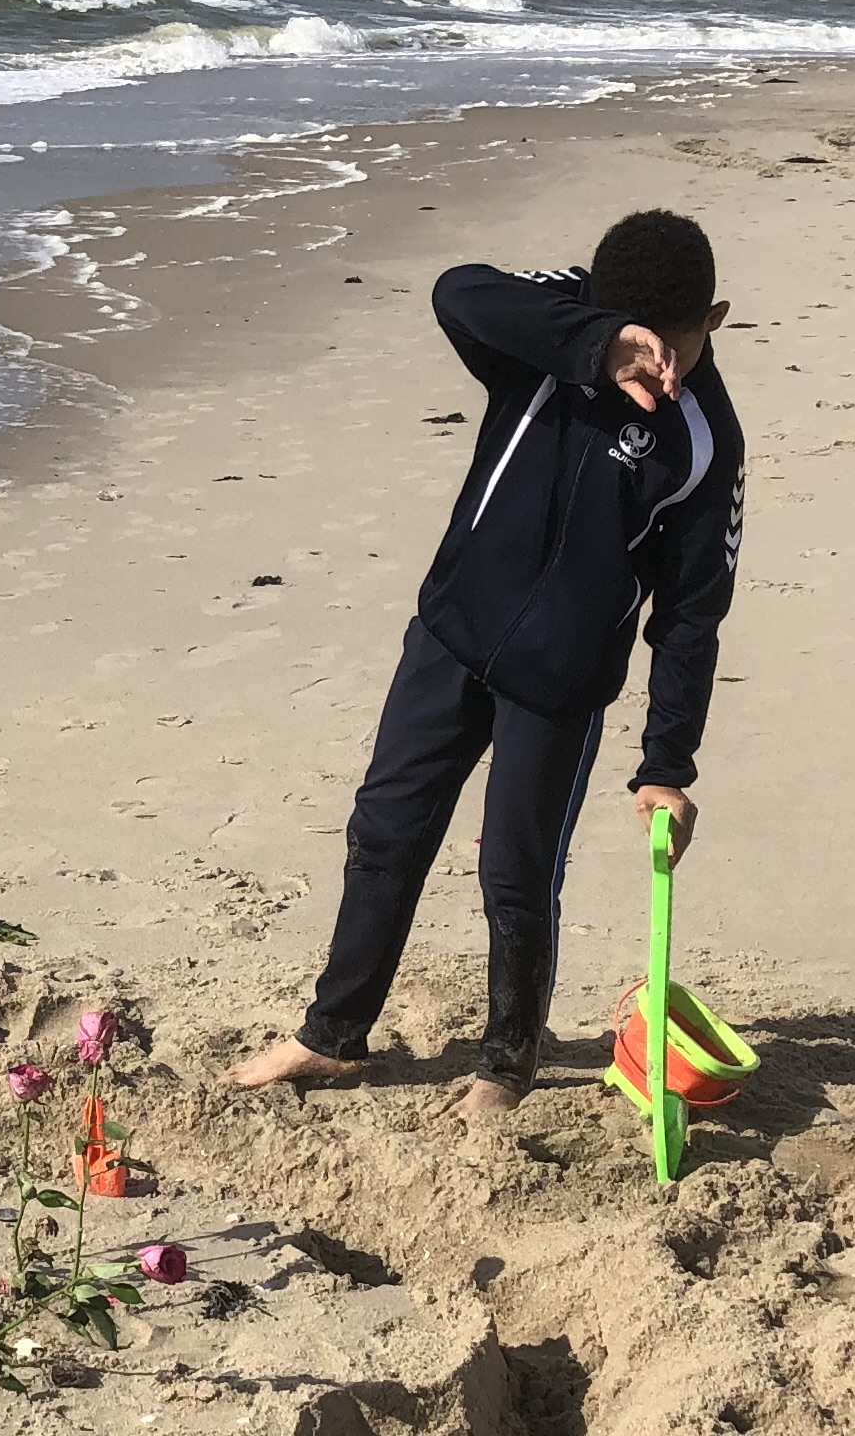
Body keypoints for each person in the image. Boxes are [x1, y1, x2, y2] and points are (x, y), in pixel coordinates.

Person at [227, 208, 746, 1124]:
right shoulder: (552, 334)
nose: (659, 368)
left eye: (676, 345)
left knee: (515, 870)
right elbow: (458, 291)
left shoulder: (705, 442)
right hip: (450, 634)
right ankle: (333, 1035)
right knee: (384, 829)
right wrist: (597, 345)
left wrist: (668, 764)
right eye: (644, 344)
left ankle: (507, 1064)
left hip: (560, 677)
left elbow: (692, 615)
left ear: (717, 319)